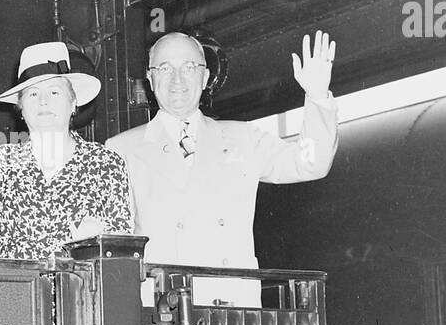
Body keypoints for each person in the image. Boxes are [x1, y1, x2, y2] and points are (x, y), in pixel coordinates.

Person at [105, 29, 338, 303]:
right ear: (150, 79)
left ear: (205, 77)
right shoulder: (120, 150)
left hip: (233, 306)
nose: (177, 79)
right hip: (161, 313)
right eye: (165, 68)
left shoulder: (243, 138)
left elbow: (311, 163)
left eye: (189, 67)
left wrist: (318, 95)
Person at [0, 41, 131, 261]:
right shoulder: (2, 160)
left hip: (82, 290)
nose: (43, 102)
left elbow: (122, 243)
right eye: (33, 94)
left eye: (54, 92)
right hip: (17, 290)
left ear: (73, 103)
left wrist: (97, 239)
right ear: (21, 108)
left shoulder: (105, 163)